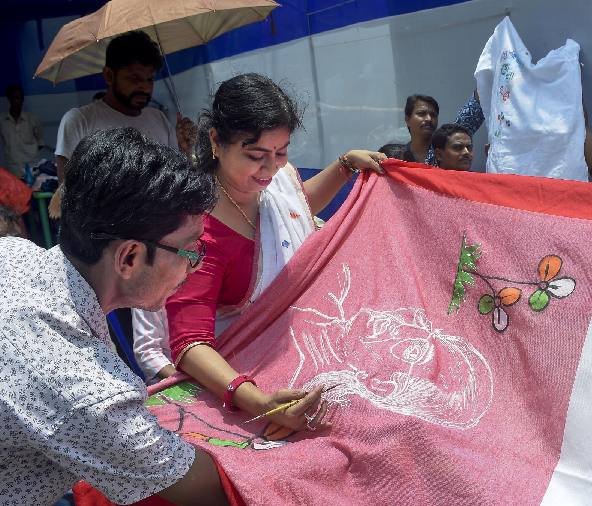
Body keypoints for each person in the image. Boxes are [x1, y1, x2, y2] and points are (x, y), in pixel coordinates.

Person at [0, 127, 314, 505]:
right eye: (190, 251)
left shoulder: (13, 253)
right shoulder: (87, 394)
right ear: (130, 257)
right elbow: (211, 490)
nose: (196, 266)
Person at [134, 74, 384, 431]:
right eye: (255, 156)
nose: (271, 168)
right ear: (216, 141)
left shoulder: (273, 186)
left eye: (281, 152)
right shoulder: (198, 233)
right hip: (248, 375)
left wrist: (344, 166)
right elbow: (191, 344)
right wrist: (260, 403)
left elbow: (296, 209)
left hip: (311, 353)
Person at [50, 30, 198, 218]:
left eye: (150, 79)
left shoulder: (158, 118)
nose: (145, 87)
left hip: (160, 225)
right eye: (134, 78)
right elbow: (67, 197)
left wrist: (185, 151)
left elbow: (178, 181)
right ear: (109, 75)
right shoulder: (79, 121)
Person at [383, 91, 484, 165]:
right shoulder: (395, 156)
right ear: (407, 119)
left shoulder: (445, 152)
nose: (429, 119)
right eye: (421, 114)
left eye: (433, 115)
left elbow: (471, 112)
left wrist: (485, 76)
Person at [0, 84, 44, 177]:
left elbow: (40, 141)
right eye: (16, 98)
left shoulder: (32, 119)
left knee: (35, 185)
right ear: (9, 99)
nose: (19, 101)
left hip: (32, 165)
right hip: (13, 167)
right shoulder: (2, 120)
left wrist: (30, 152)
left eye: (21, 98)